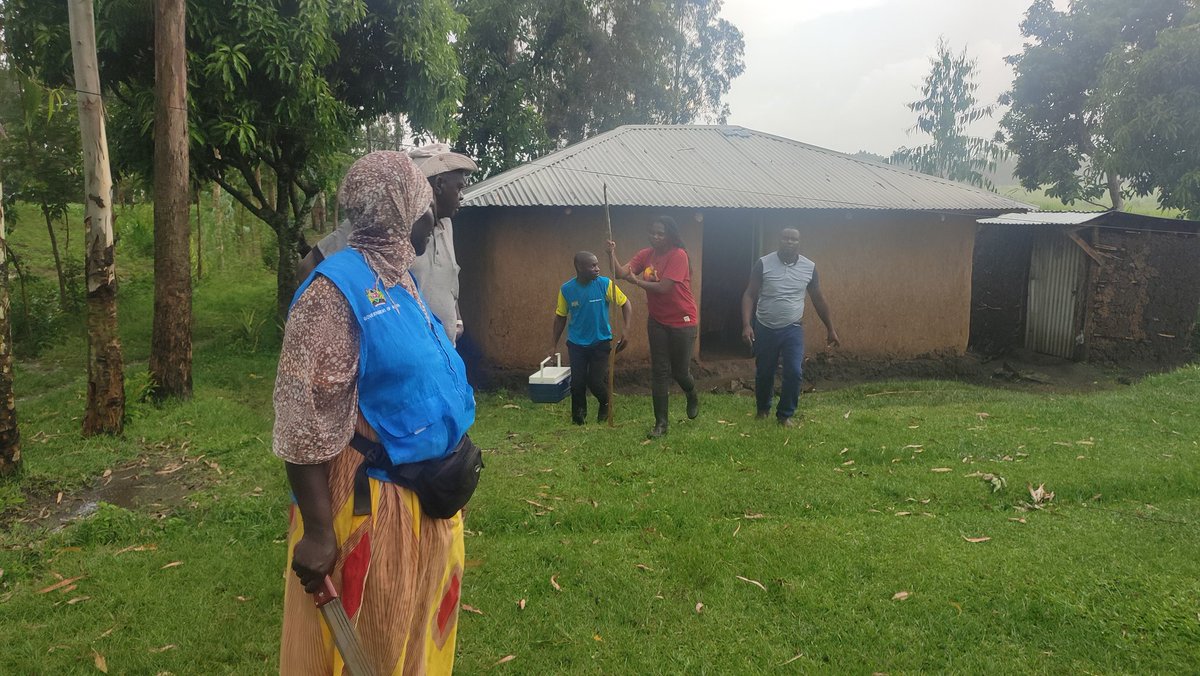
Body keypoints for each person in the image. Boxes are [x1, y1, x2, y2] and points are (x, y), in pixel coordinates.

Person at [273, 151, 478, 675]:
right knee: (371, 649)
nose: (432, 213)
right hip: (373, 509)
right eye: (423, 201)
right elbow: (301, 418)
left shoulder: (400, 279)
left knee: (414, 643)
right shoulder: (332, 293)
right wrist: (319, 532)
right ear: (398, 209)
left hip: (424, 502)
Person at [296, 143, 478, 345]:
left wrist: (456, 319)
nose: (462, 195)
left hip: (441, 351)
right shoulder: (380, 222)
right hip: (400, 357)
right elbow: (308, 269)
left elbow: (449, 280)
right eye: (459, 187)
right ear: (439, 185)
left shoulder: (447, 225)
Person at [606, 216, 700, 438]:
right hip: (657, 320)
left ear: (670, 235)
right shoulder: (646, 254)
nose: (656, 237)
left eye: (661, 233)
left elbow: (665, 287)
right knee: (659, 372)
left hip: (683, 321)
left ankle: (692, 393)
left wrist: (636, 282)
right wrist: (611, 254)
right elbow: (620, 273)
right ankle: (661, 424)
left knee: (680, 372)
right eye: (653, 232)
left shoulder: (679, 255)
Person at [740, 227, 840, 427]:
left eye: (794, 239)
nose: (789, 242)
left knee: (794, 371)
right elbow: (749, 294)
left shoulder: (809, 267)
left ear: (799, 242)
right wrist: (746, 325)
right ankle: (763, 409)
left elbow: (818, 298)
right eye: (785, 238)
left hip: (792, 328)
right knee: (765, 372)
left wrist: (830, 328)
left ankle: (785, 415)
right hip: (765, 326)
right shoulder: (763, 264)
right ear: (779, 240)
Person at [549, 251, 632, 425]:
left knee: (594, 381)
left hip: (600, 342)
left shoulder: (604, 284)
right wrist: (553, 345)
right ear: (580, 267)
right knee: (577, 384)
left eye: (597, 264)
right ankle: (578, 418)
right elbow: (560, 317)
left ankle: (605, 401)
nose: (597, 269)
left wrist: (626, 330)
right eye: (592, 266)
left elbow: (625, 304)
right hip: (576, 344)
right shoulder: (566, 289)